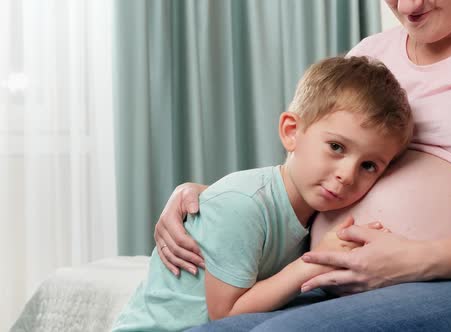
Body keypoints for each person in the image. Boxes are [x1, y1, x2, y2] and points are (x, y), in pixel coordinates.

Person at [155, 0, 451, 331]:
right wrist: (212, 195)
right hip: (334, 284)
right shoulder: (371, 52)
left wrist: (419, 260)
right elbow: (311, 170)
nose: (408, 7)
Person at [112, 56, 413, 331]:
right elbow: (227, 314)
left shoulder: (314, 211)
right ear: (292, 131)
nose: (347, 176)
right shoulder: (243, 206)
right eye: (336, 147)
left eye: (369, 165)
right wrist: (316, 261)